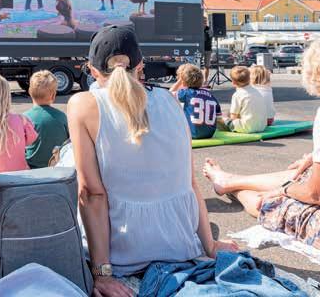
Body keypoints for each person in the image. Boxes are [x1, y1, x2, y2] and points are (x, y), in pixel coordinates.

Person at [67, 25, 237, 296]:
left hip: (124, 252)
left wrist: (102, 274)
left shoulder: (82, 104)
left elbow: (91, 193)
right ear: (140, 65)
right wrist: (209, 246)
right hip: (180, 246)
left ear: (93, 70)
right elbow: (190, 183)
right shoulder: (171, 101)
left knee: (69, 161)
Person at [203, 25, 320, 270]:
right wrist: (315, 157)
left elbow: (319, 195)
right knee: (307, 172)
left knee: (273, 204)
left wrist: (284, 190)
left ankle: (235, 188)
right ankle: (230, 180)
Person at [23, 70, 70, 168]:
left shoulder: (24, 118)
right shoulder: (61, 116)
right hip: (57, 167)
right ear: (53, 95)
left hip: (32, 169)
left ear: (30, 92)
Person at [171, 64, 222, 139]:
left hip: (191, 133)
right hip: (209, 133)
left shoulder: (186, 93)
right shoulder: (211, 95)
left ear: (184, 82)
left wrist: (180, 81)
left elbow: (169, 94)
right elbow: (219, 117)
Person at [222, 66, 267, 133]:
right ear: (249, 79)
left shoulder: (237, 95)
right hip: (262, 126)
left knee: (220, 118)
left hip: (246, 128)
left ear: (233, 82)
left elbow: (233, 117)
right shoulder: (257, 91)